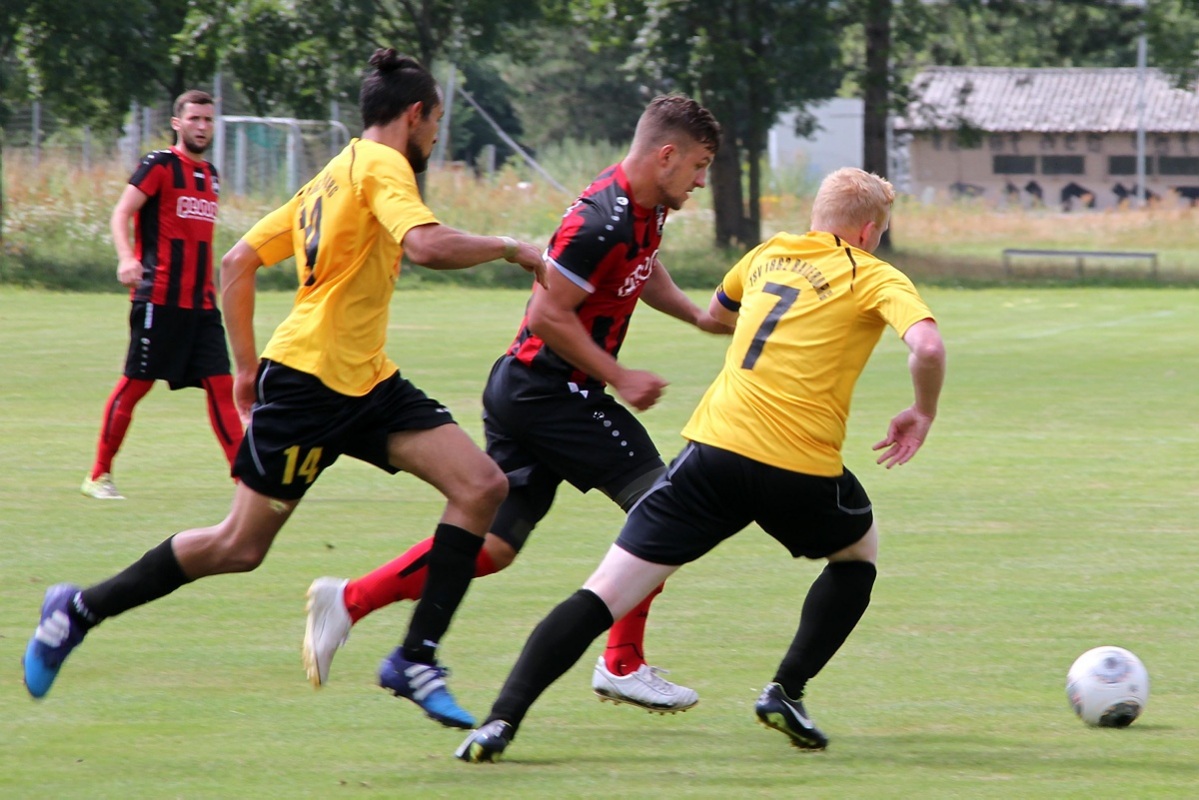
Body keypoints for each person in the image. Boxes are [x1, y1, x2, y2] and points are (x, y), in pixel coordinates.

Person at [22, 49, 548, 732]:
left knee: (481, 486)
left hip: (364, 378)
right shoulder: (383, 165)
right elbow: (424, 245)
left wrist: (244, 371)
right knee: (238, 547)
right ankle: (78, 609)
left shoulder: (334, 173)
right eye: (435, 123)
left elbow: (239, 261)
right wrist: (514, 247)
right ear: (414, 115)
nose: (435, 137)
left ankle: (415, 657)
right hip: (307, 387)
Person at [455, 167, 947, 762]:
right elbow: (927, 346)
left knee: (602, 593)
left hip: (712, 452)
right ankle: (785, 691)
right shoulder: (873, 274)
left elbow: (716, 317)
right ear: (868, 232)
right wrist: (921, 411)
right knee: (858, 555)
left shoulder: (768, 255)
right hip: (797, 467)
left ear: (817, 218)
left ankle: (499, 722)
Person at [302, 95, 728, 714]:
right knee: (665, 503)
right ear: (667, 155)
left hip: (531, 390)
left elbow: (642, 267)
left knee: (496, 547)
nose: (702, 180)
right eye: (699, 165)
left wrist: (695, 314)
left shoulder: (645, 208)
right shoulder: (602, 217)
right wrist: (619, 374)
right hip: (548, 390)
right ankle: (621, 662)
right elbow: (546, 313)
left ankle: (350, 600)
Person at [82, 89, 243, 500]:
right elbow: (122, 212)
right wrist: (125, 258)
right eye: (194, 119)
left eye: (208, 120)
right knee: (136, 385)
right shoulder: (159, 165)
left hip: (202, 305)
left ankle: (244, 480)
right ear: (178, 123)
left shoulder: (212, 176)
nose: (202, 127)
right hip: (158, 300)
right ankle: (98, 475)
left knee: (221, 386)